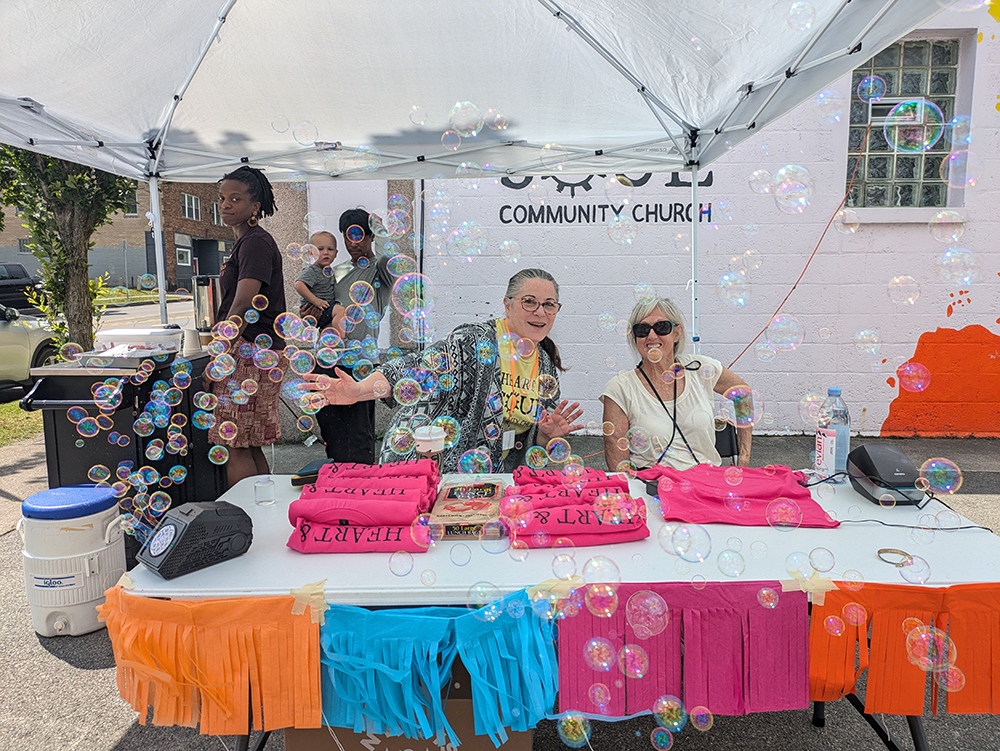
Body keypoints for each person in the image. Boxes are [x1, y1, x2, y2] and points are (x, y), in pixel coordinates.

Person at [304, 268, 583, 473]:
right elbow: (413, 367)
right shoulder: (474, 341)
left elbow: (530, 441)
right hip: (432, 469)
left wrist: (546, 435)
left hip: (493, 477)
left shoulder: (545, 365)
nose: (540, 312)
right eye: (529, 302)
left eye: (549, 305)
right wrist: (359, 389)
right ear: (507, 305)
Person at [601, 296, 753, 471]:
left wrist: (744, 459)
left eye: (661, 327)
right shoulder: (620, 388)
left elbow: (743, 393)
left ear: (676, 333)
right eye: (642, 329)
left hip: (707, 482)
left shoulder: (700, 369)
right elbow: (620, 470)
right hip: (654, 488)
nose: (651, 335)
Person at [208, 166, 286, 489]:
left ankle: (244, 520)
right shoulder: (248, 242)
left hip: (249, 353)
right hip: (255, 351)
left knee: (234, 443)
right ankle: (262, 516)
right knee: (249, 440)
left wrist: (218, 355)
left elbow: (242, 304)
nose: (225, 205)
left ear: (255, 207)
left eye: (235, 198)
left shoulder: (255, 243)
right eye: (222, 198)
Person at [314, 208, 393, 463]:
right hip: (327, 359)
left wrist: (378, 226)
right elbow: (318, 310)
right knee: (332, 433)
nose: (353, 243)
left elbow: (391, 256)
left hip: (359, 364)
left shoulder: (380, 271)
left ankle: (363, 487)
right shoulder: (335, 272)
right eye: (348, 237)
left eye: (359, 235)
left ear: (370, 237)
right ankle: (338, 483)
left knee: (358, 437)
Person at [295, 231, 341, 327]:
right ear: (311, 253)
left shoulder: (329, 271)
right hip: (315, 310)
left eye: (330, 249)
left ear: (336, 253)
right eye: (320, 249)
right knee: (340, 311)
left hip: (324, 308)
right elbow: (299, 285)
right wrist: (316, 301)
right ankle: (340, 335)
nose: (326, 252)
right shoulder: (312, 270)